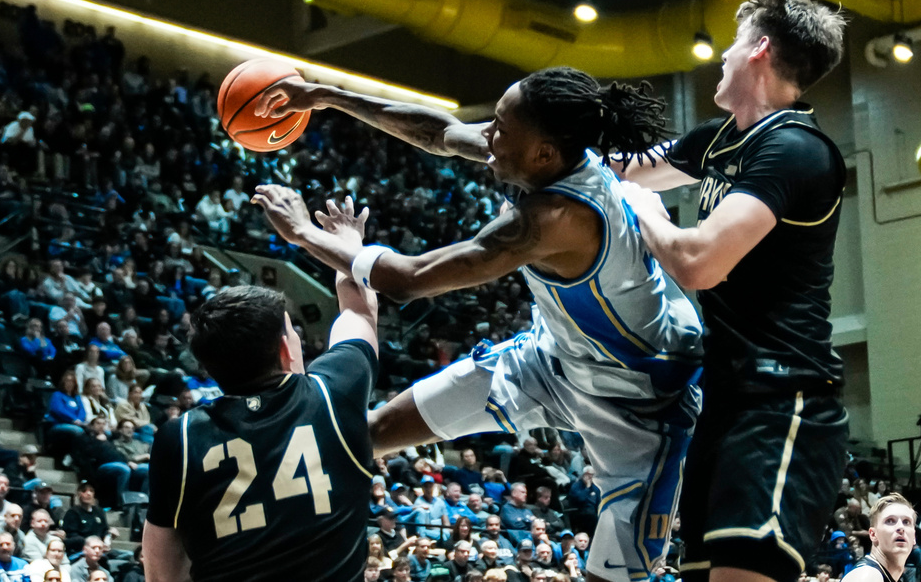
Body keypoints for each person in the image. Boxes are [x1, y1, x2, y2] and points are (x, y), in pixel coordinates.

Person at [253, 65, 705, 582]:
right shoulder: (546, 161)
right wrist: (323, 95)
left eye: (500, 129)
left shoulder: (554, 217)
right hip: (552, 361)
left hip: (644, 401)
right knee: (369, 432)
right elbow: (439, 132)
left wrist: (304, 234)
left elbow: (409, 278)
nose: (487, 137)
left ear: (543, 152)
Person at [614, 0, 850, 582]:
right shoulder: (717, 142)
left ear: (759, 49)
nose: (722, 55)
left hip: (783, 400)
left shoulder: (796, 148)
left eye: (734, 42)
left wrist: (649, 213)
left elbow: (698, 263)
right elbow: (608, 167)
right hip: (724, 400)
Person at [143, 264, 381, 582]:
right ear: (285, 350)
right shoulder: (333, 391)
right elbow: (359, 312)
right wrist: (345, 246)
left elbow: (161, 573)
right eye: (292, 330)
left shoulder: (180, 436)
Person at [840, 495, 916, 582]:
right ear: (873, 534)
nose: (900, 527)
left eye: (906, 522)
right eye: (890, 520)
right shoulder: (868, 576)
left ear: (914, 537)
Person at [61, 483, 115, 556]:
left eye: (91, 491)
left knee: (127, 555)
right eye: (84, 491)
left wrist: (109, 537)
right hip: (81, 550)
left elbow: (105, 531)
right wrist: (93, 544)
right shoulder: (72, 513)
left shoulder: (99, 511)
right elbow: (72, 536)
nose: (88, 493)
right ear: (79, 494)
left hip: (100, 549)